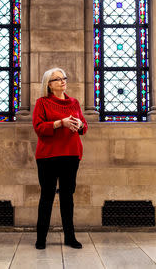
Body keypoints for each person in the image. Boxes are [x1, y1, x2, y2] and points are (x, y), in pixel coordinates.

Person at [32, 67, 88, 250]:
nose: (62, 81)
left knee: (67, 197)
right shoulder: (42, 103)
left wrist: (79, 124)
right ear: (48, 84)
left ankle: (70, 237)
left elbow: (84, 127)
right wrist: (60, 123)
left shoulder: (74, 103)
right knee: (47, 196)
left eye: (63, 78)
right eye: (57, 79)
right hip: (48, 156)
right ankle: (41, 238)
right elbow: (39, 128)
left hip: (71, 155)